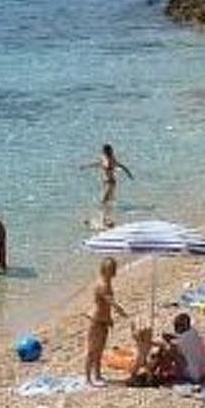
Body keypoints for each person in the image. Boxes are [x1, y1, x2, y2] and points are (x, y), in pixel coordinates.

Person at [84, 255, 128, 385]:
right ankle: (88, 378)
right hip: (96, 320)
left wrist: (109, 319)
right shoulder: (102, 285)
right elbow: (111, 302)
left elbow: (107, 306)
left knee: (100, 350)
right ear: (103, 269)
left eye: (112, 269)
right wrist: (123, 313)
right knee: (92, 350)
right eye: (108, 269)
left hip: (103, 321)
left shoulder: (107, 283)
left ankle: (97, 375)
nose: (111, 272)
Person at [83, 144, 132, 225]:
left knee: (103, 201)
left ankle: (104, 221)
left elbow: (120, 166)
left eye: (104, 150)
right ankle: (107, 220)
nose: (102, 151)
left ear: (106, 151)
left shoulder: (111, 160)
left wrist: (128, 173)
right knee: (107, 201)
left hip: (110, 183)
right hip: (105, 183)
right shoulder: (105, 158)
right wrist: (86, 166)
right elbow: (98, 163)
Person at [168, 311, 205, 383]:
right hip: (203, 370)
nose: (175, 328)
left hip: (192, 374)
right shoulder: (193, 332)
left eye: (177, 325)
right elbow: (178, 337)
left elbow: (171, 345)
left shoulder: (182, 340)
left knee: (169, 350)